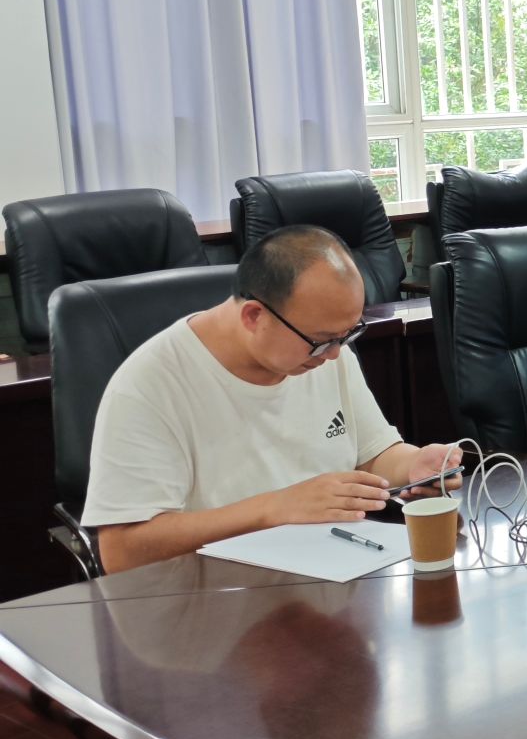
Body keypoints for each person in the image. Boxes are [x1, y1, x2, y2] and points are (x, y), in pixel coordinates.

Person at [83, 226, 463, 575]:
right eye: (321, 341)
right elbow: (122, 552)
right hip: (217, 599)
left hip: (333, 580)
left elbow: (373, 455)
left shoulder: (325, 354)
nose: (334, 354)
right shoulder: (150, 385)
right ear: (253, 316)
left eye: (347, 335)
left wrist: (414, 465)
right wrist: (273, 508)